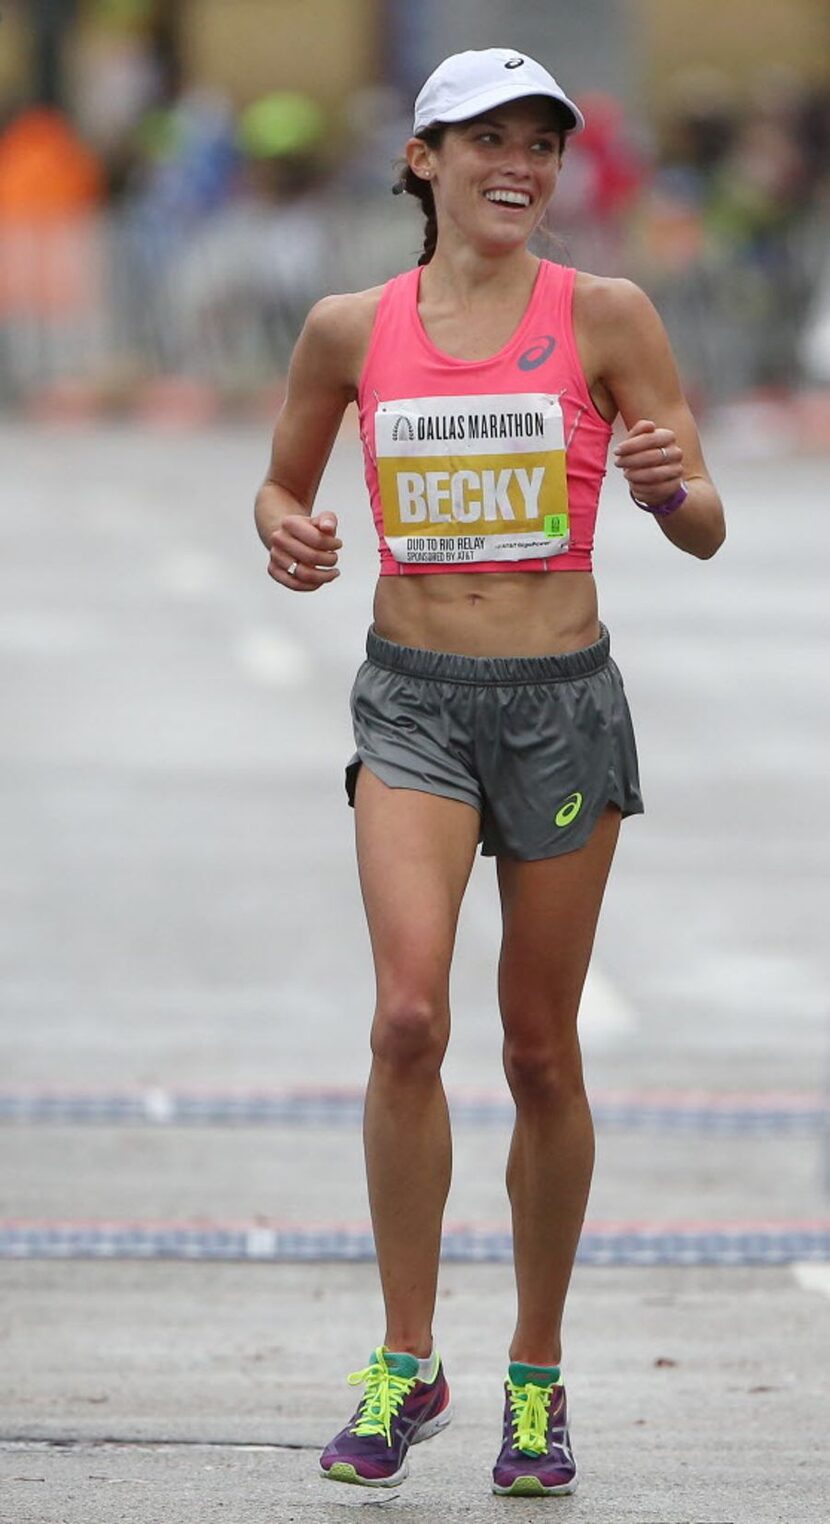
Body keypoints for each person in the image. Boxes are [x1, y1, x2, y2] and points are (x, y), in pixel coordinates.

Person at [254, 47, 725, 1500]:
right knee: (406, 1019)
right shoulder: (348, 330)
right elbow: (283, 482)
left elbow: (703, 520)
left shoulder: (606, 315)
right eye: (484, 140)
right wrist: (288, 530)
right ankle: (406, 1362)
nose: (515, 163)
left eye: (539, 142)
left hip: (559, 711)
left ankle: (534, 1375)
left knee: (537, 1053)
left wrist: (665, 490)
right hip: (411, 703)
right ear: (421, 159)